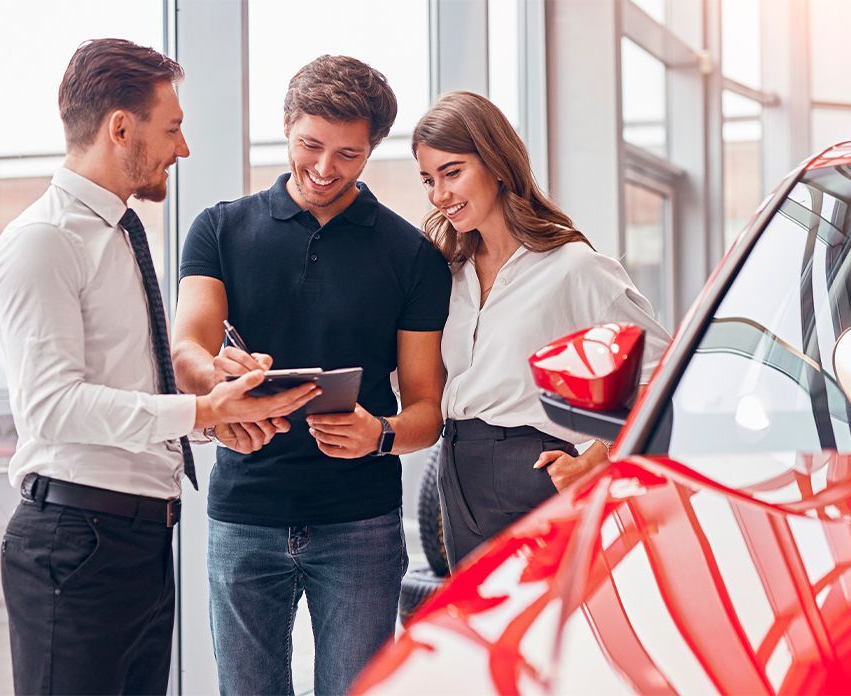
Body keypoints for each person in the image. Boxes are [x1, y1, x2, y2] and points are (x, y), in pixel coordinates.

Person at [0, 38, 318, 695]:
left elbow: (124, 388)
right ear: (119, 127)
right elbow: (51, 408)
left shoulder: (117, 236)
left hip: (136, 542)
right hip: (75, 546)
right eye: (172, 128)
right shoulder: (43, 244)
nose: (183, 149)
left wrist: (216, 412)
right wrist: (201, 410)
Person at [172, 55, 452, 695]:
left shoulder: (411, 256)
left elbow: (425, 411)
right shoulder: (220, 228)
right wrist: (215, 378)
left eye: (349, 155)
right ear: (287, 126)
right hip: (244, 515)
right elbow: (188, 344)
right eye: (310, 146)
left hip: (360, 525)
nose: (325, 169)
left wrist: (378, 434)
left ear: (373, 149)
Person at [412, 91, 671, 569]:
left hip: (534, 470)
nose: (439, 194)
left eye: (452, 173)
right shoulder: (448, 274)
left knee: (549, 634)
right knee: (482, 635)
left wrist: (598, 456)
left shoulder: (574, 268)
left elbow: (663, 373)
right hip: (456, 471)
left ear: (496, 164)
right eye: (429, 180)